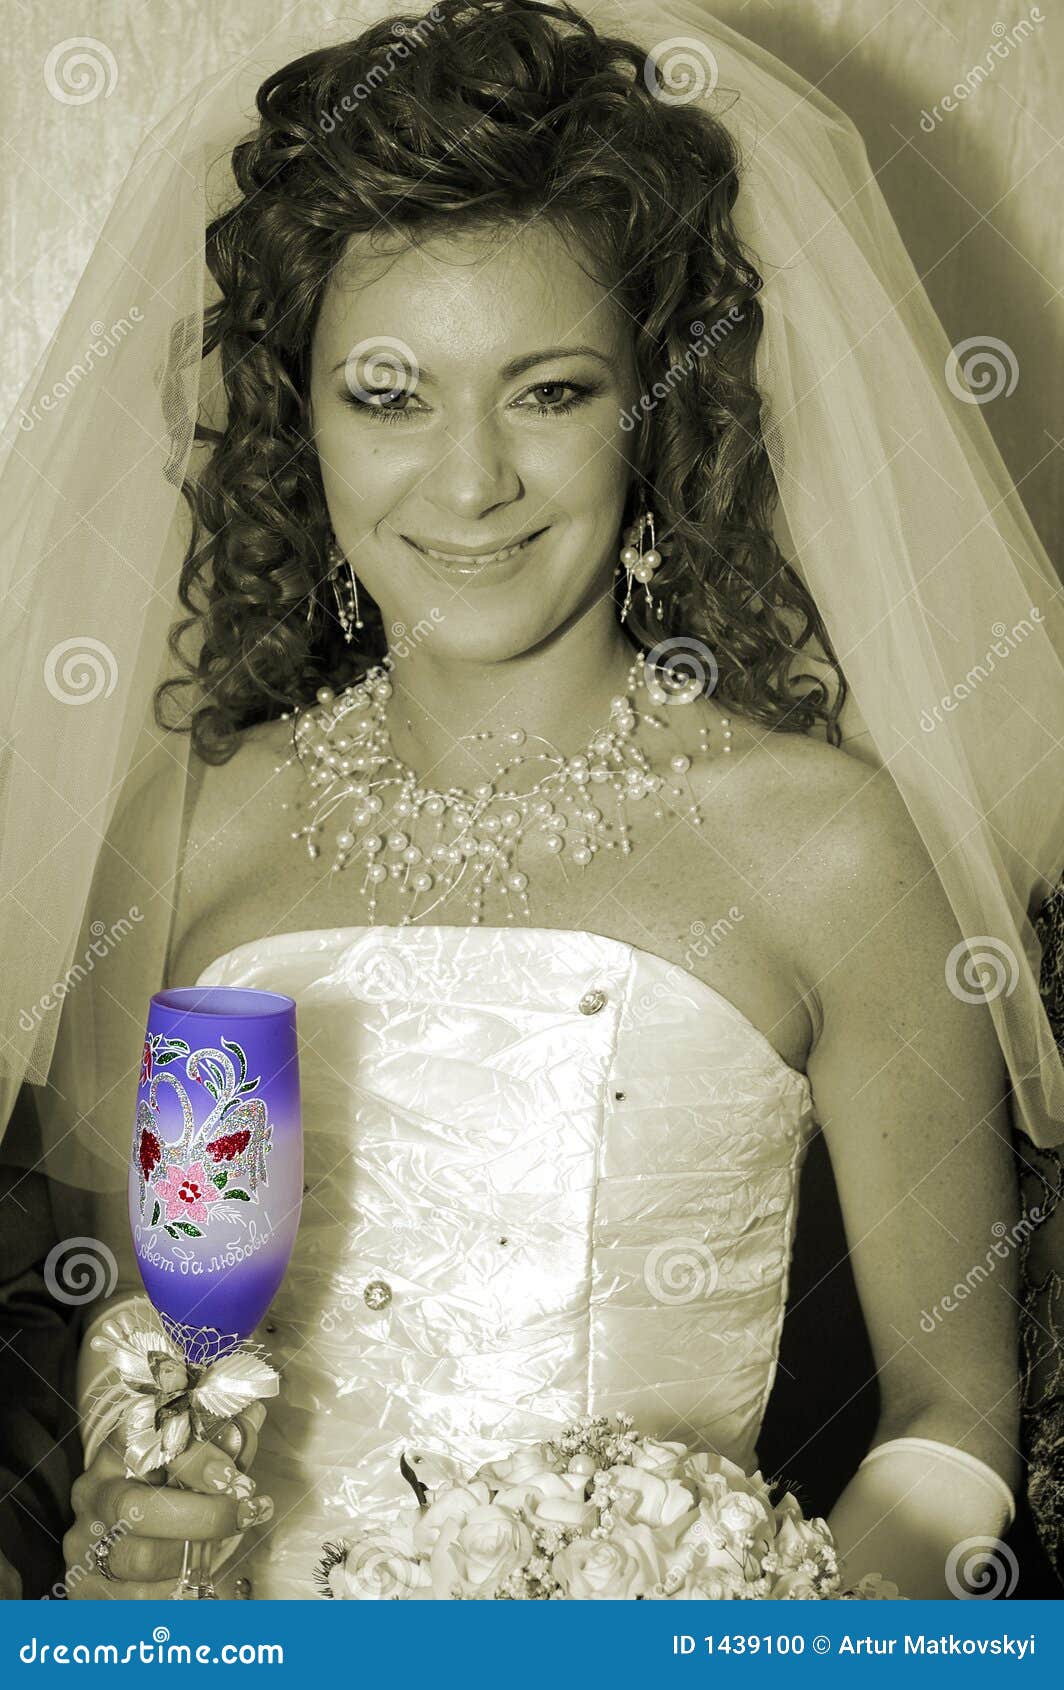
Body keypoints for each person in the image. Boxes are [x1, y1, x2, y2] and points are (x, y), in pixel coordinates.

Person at [4, 0, 1063, 1601]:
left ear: (655, 410)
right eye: (388, 394)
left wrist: (773, 1646)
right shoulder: (183, 825)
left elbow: (954, 1418)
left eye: (550, 391)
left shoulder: (831, 845)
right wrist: (130, 1516)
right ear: (301, 420)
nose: (471, 479)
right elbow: (126, 1317)